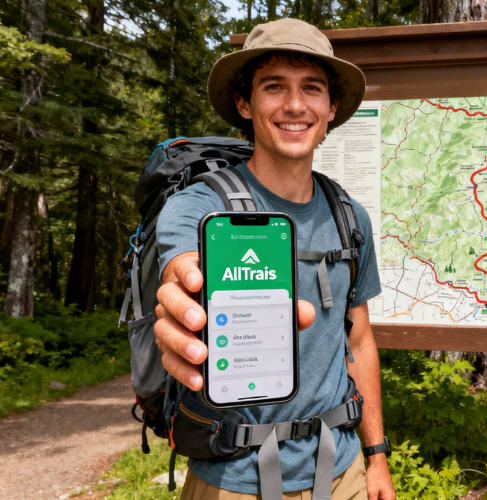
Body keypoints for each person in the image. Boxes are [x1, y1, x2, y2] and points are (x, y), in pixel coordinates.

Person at [152, 18, 395, 500]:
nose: (294, 105)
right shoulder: (199, 208)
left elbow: (361, 340)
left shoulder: (349, 215)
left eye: (312, 88)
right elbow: (179, 269)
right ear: (245, 103)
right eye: (273, 86)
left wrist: (377, 457)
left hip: (341, 472)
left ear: (331, 108)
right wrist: (179, 303)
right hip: (232, 479)